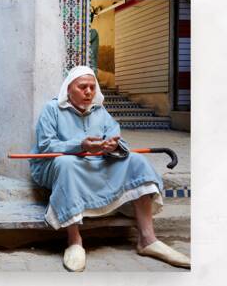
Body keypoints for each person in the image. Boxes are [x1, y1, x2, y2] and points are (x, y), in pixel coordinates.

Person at [30, 65, 190, 272]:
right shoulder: (52, 110)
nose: (88, 92)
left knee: (136, 161)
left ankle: (147, 240)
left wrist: (113, 146)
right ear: (69, 89)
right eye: (82, 87)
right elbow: (46, 146)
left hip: (97, 162)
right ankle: (75, 241)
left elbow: (117, 139)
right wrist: (81, 145)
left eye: (92, 87)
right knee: (66, 163)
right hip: (60, 164)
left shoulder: (100, 111)